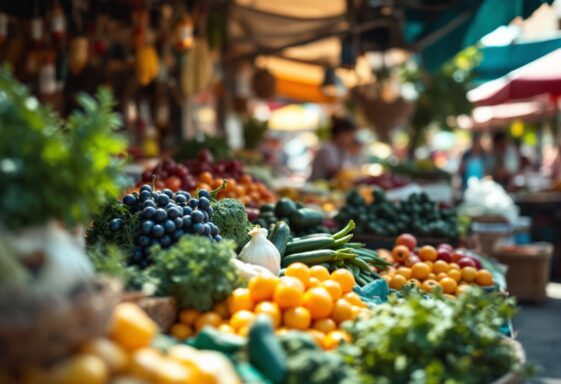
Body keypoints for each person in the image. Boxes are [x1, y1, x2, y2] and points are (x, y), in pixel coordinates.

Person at [309, 116, 358, 181]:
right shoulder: (327, 149)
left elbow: (346, 168)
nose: (352, 139)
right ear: (341, 133)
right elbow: (334, 171)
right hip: (317, 187)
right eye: (350, 135)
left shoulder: (342, 150)